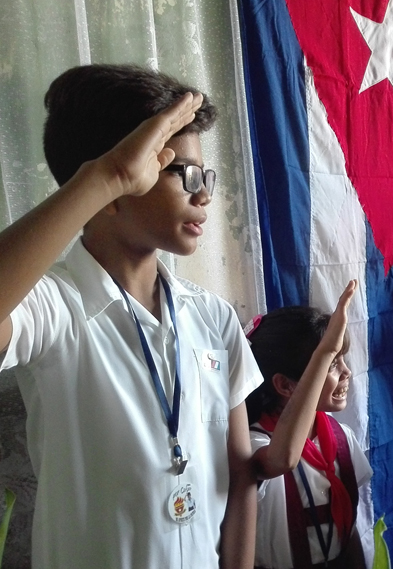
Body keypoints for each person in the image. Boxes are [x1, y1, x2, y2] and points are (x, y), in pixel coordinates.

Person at [0, 64, 263, 568]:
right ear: (114, 181)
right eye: (182, 173)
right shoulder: (54, 304)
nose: (204, 193)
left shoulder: (214, 318)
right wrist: (106, 179)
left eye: (204, 175)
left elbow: (239, 475)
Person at [246, 281, 372, 569]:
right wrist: (324, 351)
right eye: (331, 364)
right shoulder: (256, 443)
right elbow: (282, 458)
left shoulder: (342, 438)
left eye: (340, 359)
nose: (347, 372)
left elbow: (347, 530)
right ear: (285, 385)